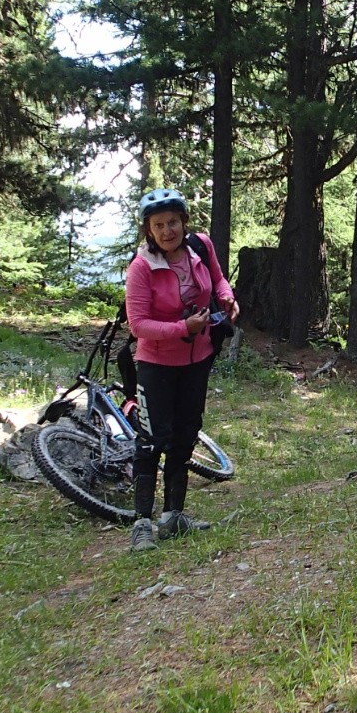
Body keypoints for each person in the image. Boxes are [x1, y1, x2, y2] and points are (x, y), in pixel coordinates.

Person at [123, 188, 239, 553]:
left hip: (197, 359)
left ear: (184, 222)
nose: (167, 230)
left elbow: (218, 279)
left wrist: (226, 297)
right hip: (156, 364)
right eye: (159, 225)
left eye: (173, 222)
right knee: (152, 439)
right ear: (149, 230)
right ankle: (141, 523)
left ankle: (174, 516)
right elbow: (138, 325)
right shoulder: (141, 267)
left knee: (186, 433)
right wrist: (181, 329)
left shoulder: (200, 247)